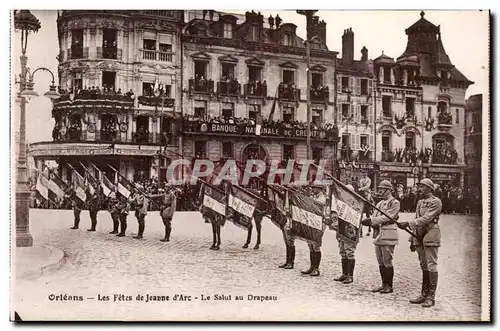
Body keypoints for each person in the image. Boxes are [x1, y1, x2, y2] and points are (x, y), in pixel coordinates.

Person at [397, 178, 442, 308]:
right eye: (419, 187)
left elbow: (426, 218)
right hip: (419, 234)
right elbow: (417, 218)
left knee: (431, 264)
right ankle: (424, 294)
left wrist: (408, 224)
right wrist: (412, 239)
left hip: (431, 233)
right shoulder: (420, 202)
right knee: (423, 265)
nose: (419, 189)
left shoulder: (436, 202)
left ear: (429, 188)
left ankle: (431, 297)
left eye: (422, 187)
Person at [361, 180, 400, 294]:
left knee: (387, 260)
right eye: (379, 189)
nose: (380, 191)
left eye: (382, 189)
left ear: (389, 190)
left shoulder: (395, 203)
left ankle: (389, 286)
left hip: (389, 232)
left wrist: (371, 221)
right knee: (380, 261)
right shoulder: (379, 204)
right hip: (379, 233)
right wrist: (371, 222)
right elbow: (375, 216)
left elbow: (388, 217)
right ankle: (384, 284)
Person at [333, 184, 358, 284]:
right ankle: (344, 274)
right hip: (341, 230)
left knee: (349, 252)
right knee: (343, 252)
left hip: (351, 231)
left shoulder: (356, 203)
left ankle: (350, 276)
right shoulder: (341, 202)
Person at [358, 171, 373, 236]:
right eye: (363, 173)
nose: (364, 174)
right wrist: (360, 189)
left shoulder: (369, 179)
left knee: (369, 199)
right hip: (362, 192)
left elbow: (367, 186)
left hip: (367, 192)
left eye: (365, 173)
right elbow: (360, 185)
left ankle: (370, 208)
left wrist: (361, 189)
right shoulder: (361, 180)